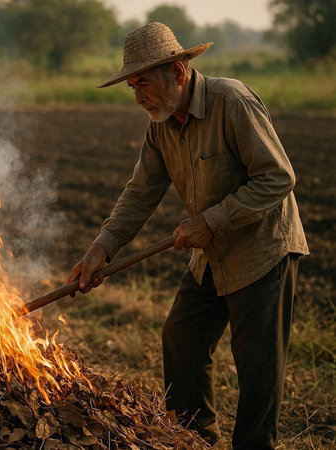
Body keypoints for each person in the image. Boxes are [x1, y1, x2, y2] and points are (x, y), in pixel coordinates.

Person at [68, 22, 308, 449]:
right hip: (212, 255)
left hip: (263, 250)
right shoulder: (160, 124)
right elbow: (140, 193)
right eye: (132, 86)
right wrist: (101, 248)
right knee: (182, 338)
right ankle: (192, 440)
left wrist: (211, 220)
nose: (138, 96)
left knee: (257, 368)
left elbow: (277, 177)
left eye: (144, 83)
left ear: (178, 72)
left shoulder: (231, 101)